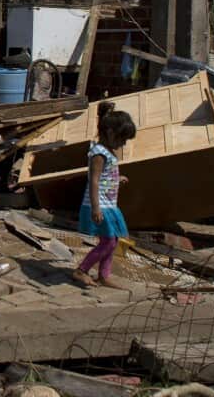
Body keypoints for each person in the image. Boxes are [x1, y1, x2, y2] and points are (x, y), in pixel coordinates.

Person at [73, 102, 137, 288]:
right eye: (122, 139)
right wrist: (95, 208)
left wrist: (118, 179)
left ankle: (103, 275)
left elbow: (105, 178)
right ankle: (81, 270)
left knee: (113, 240)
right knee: (109, 242)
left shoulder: (108, 152)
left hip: (109, 204)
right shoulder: (98, 154)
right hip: (99, 205)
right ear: (110, 134)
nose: (123, 144)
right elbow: (93, 180)